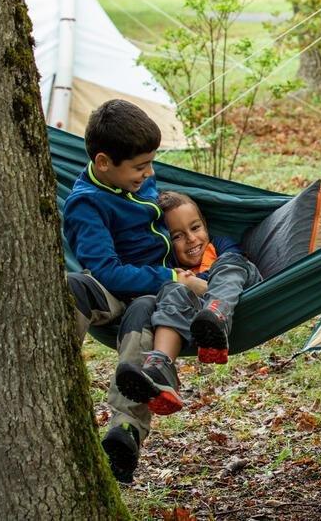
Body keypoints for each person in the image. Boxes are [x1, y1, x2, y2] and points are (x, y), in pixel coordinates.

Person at [63, 100, 205, 483]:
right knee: (72, 286)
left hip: (151, 301)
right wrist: (169, 278)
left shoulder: (138, 180)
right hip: (122, 288)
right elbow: (107, 271)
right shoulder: (86, 204)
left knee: (143, 308)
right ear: (105, 162)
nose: (150, 173)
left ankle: (126, 430)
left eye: (151, 163)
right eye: (141, 167)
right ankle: (53, 375)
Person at [113, 190, 263, 414]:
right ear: (165, 242)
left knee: (229, 263)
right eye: (177, 236)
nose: (191, 239)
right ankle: (161, 366)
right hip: (196, 317)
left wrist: (194, 283)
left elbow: (232, 268)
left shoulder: (221, 245)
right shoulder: (171, 270)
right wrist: (185, 285)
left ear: (205, 225)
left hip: (239, 293)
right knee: (172, 290)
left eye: (195, 228)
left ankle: (217, 317)